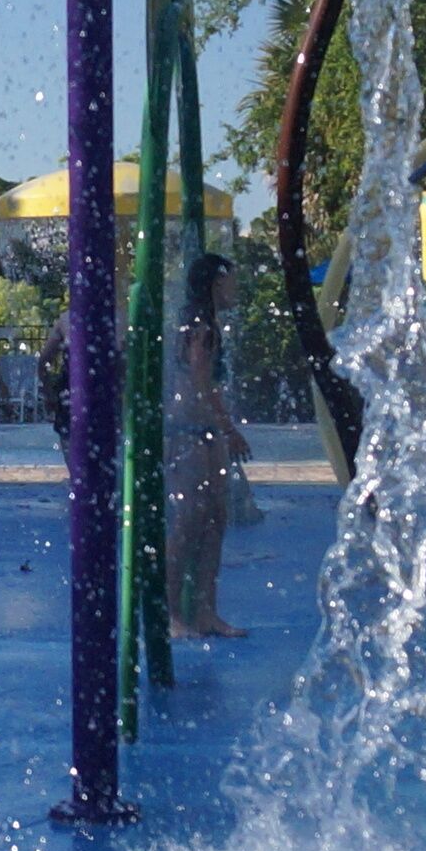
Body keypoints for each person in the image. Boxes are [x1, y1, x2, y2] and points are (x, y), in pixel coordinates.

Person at [167, 253, 247, 637]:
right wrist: (228, 428)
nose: (236, 288)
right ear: (216, 283)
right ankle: (171, 613)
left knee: (215, 520)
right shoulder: (201, 328)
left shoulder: (204, 323)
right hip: (191, 431)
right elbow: (201, 380)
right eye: (231, 280)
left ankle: (205, 611)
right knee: (188, 523)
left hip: (202, 430)